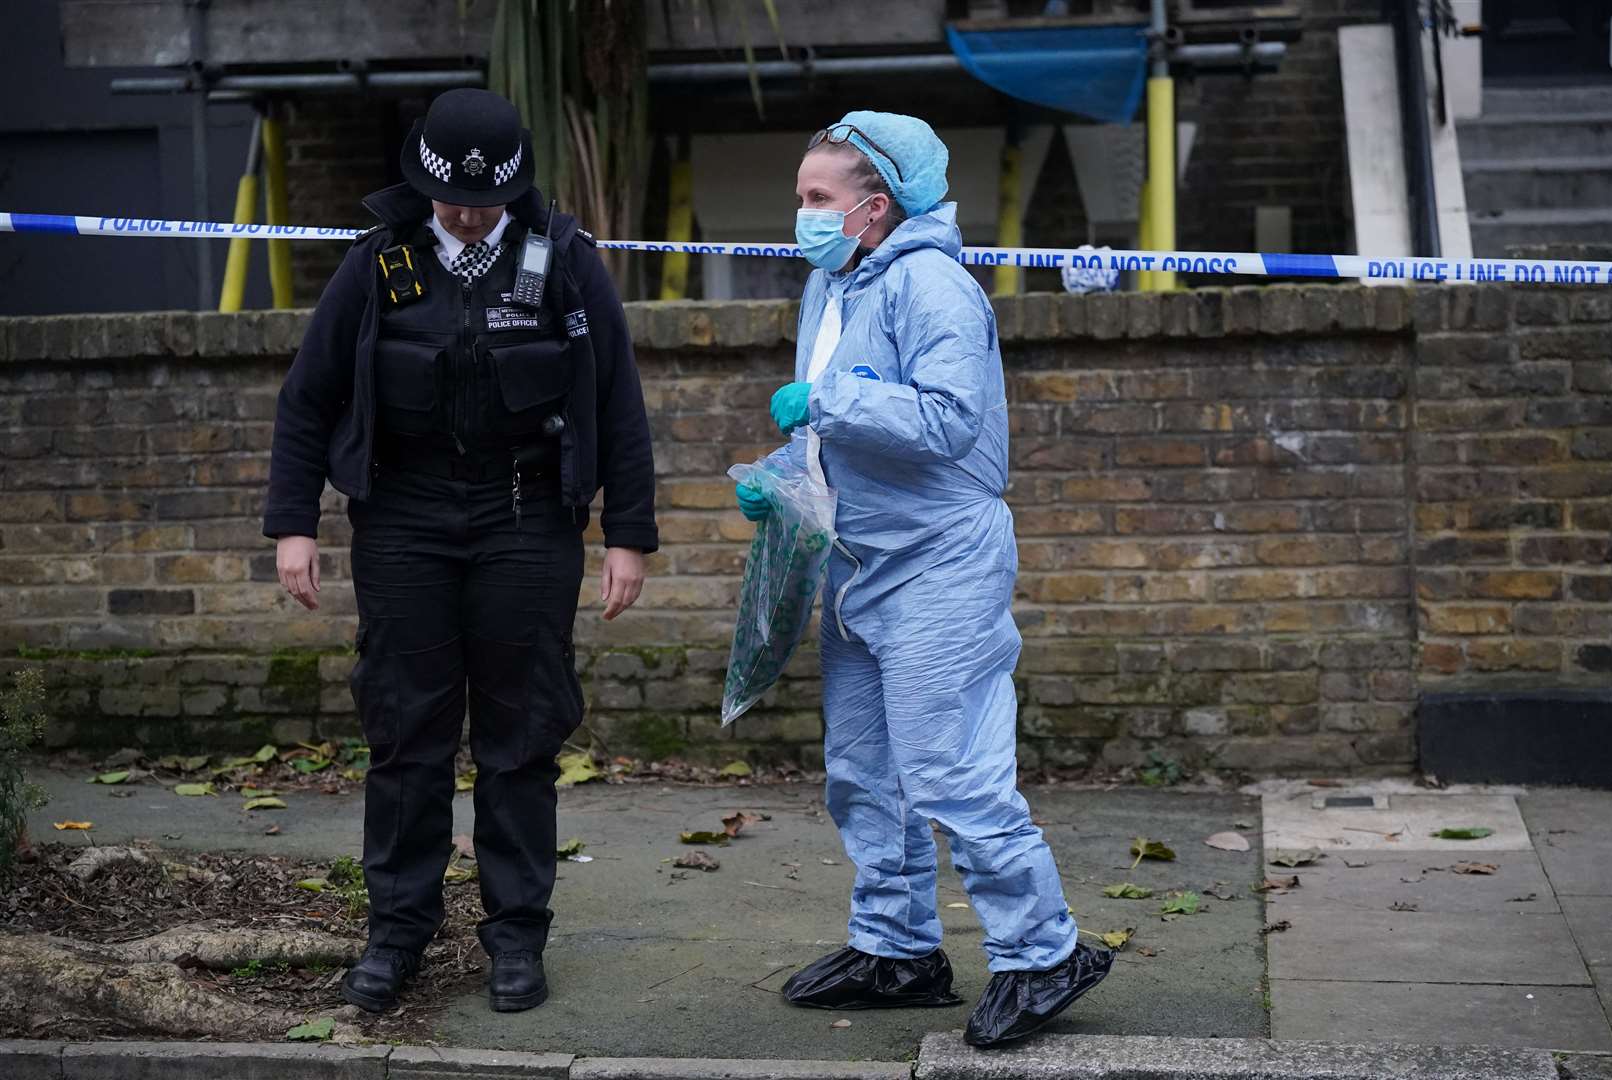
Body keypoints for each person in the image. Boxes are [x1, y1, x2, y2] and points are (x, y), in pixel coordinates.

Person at [264, 88, 657, 1015]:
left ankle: (516, 940)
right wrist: (293, 524)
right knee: (406, 736)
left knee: (521, 740)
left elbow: (619, 407)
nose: (469, 218)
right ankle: (397, 935)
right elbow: (307, 400)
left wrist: (628, 536)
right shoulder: (376, 265)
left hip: (526, 523)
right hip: (402, 523)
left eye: (485, 204)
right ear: (425, 184)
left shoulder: (563, 262)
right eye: (453, 203)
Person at [737, 111, 1113, 1048]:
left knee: (951, 768)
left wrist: (826, 402)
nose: (802, 216)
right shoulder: (834, 285)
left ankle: (1043, 949)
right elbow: (831, 424)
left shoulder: (935, 286)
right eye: (801, 197)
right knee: (864, 772)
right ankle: (896, 948)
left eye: (816, 200)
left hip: (940, 560)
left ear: (874, 207)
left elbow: (947, 420)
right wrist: (786, 482)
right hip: (859, 553)